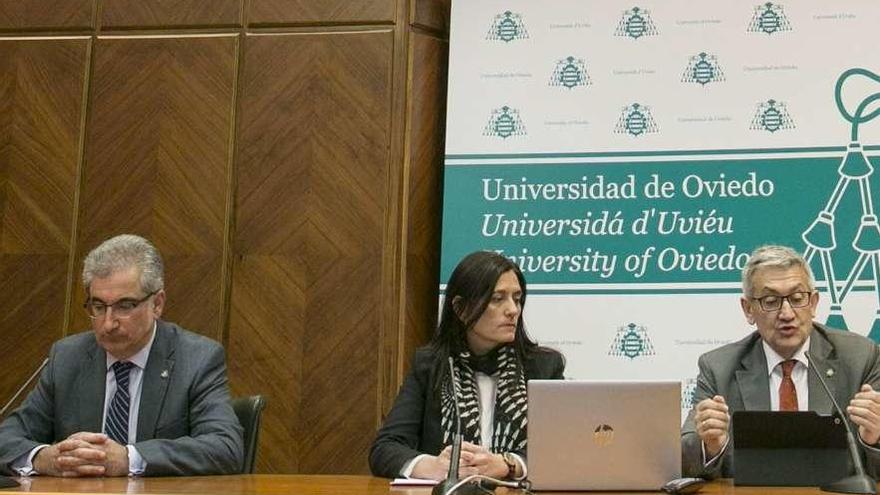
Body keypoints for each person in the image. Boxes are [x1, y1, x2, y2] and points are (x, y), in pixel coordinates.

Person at [0, 234, 243, 477]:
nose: (108, 324)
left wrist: (129, 458)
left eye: (124, 306)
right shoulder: (67, 358)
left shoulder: (196, 359)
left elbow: (224, 448)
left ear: (157, 304)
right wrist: (44, 458)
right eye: (98, 306)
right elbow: (7, 438)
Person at [682, 244, 880, 478]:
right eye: (771, 301)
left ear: (814, 303)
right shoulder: (718, 367)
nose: (787, 313)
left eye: (797, 298)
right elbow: (684, 461)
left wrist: (875, 438)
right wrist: (711, 446)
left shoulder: (860, 357)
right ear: (748, 309)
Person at [369, 251, 565, 480]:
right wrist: (432, 466)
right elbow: (385, 448)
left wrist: (509, 464)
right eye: (497, 298)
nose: (513, 310)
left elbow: (562, 447)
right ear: (461, 308)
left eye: (517, 298)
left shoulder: (543, 367)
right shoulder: (431, 366)